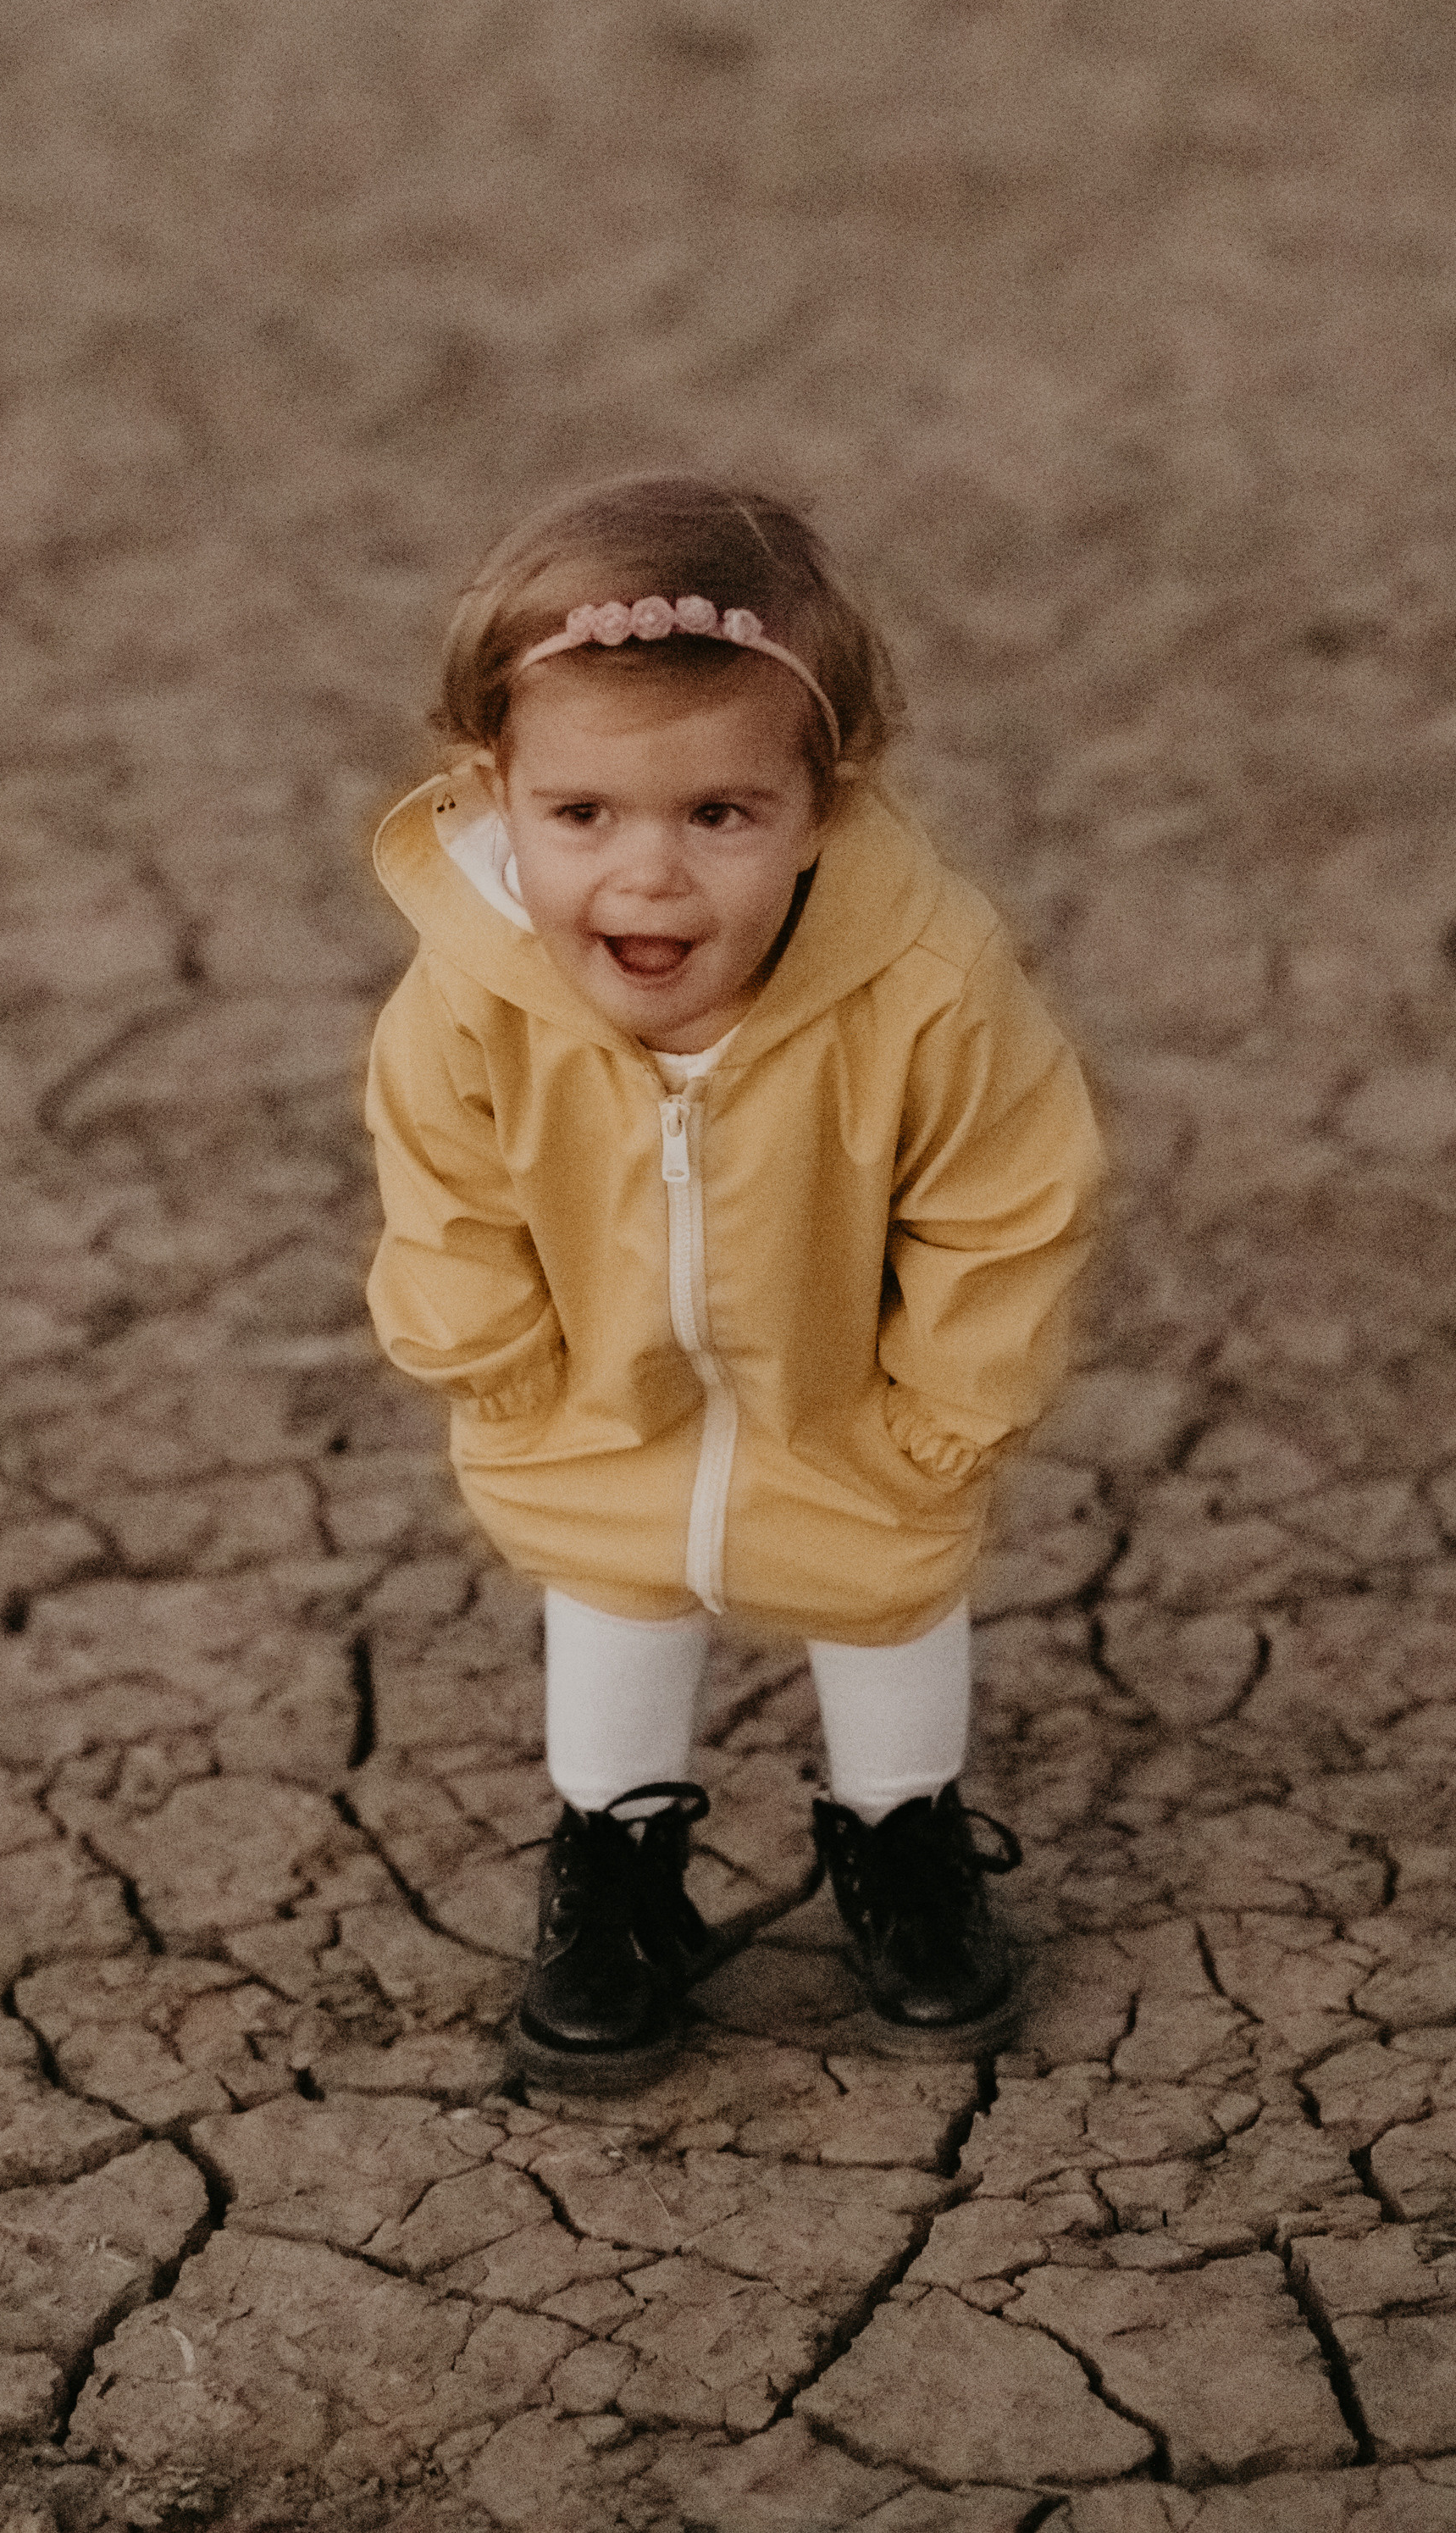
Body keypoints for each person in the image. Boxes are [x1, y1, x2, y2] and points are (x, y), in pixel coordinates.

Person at [363, 474, 1104, 2087]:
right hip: (595, 1394)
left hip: (858, 1398)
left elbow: (1007, 1194)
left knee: (888, 1596)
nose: (648, 879)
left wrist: (952, 1410)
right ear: (496, 790)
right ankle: (616, 1873)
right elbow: (444, 1184)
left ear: (820, 804)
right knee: (614, 1590)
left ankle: (901, 1848)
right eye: (582, 817)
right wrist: (492, 1363)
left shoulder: (921, 984)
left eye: (718, 815)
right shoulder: (474, 997)